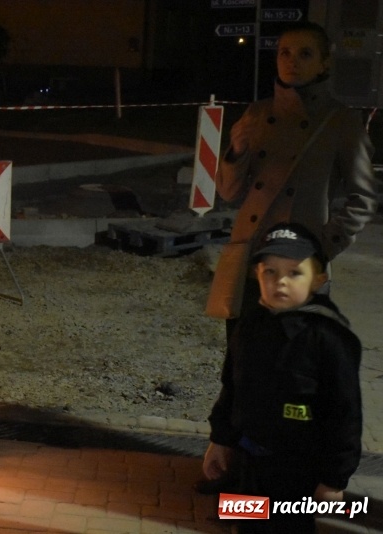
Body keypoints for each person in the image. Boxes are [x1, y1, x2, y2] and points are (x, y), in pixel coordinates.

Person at [198, 20, 377, 495]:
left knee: (295, 375)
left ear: (324, 62)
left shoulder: (340, 121)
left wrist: (318, 251)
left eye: (304, 53)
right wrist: (236, 149)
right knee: (240, 365)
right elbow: (230, 192)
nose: (291, 62)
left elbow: (362, 198)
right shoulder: (258, 113)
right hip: (250, 262)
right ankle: (232, 466)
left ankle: (292, 483)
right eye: (284, 52)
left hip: (296, 270)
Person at [203, 222, 363, 533]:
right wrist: (220, 440)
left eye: (294, 273)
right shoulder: (249, 327)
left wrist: (334, 479)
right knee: (244, 526)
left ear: (318, 279)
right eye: (270, 272)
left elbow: (345, 414)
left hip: (297, 473)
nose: (281, 282)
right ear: (257, 274)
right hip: (247, 463)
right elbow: (231, 386)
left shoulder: (330, 339)